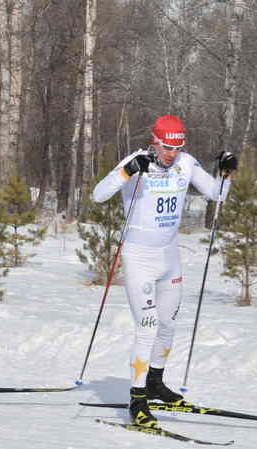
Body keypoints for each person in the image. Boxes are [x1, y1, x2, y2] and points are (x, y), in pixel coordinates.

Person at [91, 114, 237, 429]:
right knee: (147, 326)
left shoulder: (186, 163)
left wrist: (226, 172)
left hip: (169, 257)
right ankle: (138, 399)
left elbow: (217, 194)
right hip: (138, 257)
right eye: (167, 147)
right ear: (154, 141)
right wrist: (128, 172)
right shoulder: (137, 161)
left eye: (177, 147)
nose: (172, 154)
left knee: (167, 324)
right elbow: (99, 195)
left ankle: (155, 381)